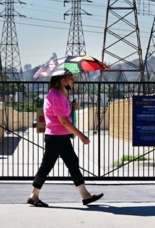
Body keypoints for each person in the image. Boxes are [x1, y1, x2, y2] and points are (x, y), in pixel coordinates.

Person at [28, 69, 103, 207]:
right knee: (47, 165)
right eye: (71, 78)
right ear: (63, 81)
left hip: (61, 136)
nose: (73, 80)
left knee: (72, 162)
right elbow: (63, 121)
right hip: (55, 137)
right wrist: (81, 135)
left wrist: (72, 107)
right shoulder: (55, 96)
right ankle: (34, 195)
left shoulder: (61, 95)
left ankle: (85, 195)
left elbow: (64, 116)